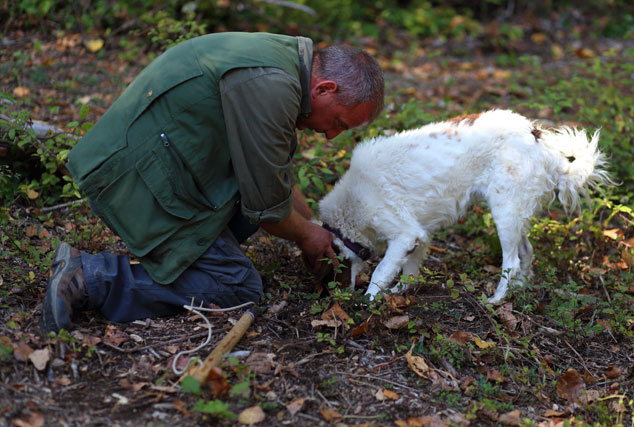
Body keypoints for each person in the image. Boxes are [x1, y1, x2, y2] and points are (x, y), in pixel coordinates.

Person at [40, 32, 385, 334]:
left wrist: (311, 229)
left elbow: (273, 177)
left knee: (257, 203)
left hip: (159, 167)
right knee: (236, 288)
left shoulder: (286, 64)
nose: (331, 135)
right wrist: (308, 236)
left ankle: (192, 256)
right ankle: (90, 277)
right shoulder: (272, 85)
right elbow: (267, 207)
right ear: (325, 89)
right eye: (338, 121)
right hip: (129, 180)